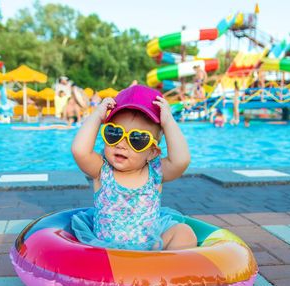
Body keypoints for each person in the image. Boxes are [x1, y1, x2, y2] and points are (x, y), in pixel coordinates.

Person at [71, 85, 196, 251]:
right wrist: (96, 117)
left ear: (152, 152)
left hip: (151, 247)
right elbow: (79, 150)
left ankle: (164, 270)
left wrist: (168, 122)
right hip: (109, 249)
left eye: (137, 139)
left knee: (185, 234)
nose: (122, 144)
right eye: (114, 133)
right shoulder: (102, 170)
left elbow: (182, 160)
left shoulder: (156, 172)